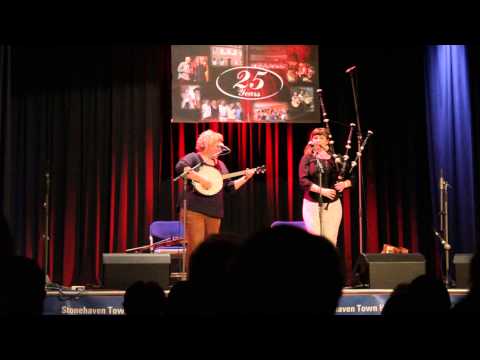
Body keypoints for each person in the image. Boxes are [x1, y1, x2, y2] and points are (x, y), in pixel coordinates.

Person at [175, 130, 255, 270]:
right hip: (194, 210)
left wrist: (245, 178)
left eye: (221, 145)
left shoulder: (221, 165)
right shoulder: (195, 158)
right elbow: (181, 167)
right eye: (217, 144)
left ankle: (210, 282)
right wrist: (201, 179)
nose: (220, 147)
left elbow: (230, 188)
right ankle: (194, 281)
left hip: (214, 212)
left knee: (212, 251)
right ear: (206, 144)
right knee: (196, 247)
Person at [298, 127, 352, 246]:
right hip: (311, 203)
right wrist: (321, 191)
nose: (318, 140)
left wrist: (345, 184)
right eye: (315, 138)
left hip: (332, 204)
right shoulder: (307, 158)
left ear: (327, 141)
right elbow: (303, 180)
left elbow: (352, 175)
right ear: (311, 141)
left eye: (321, 138)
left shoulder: (336, 158)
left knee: (330, 242)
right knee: (314, 241)